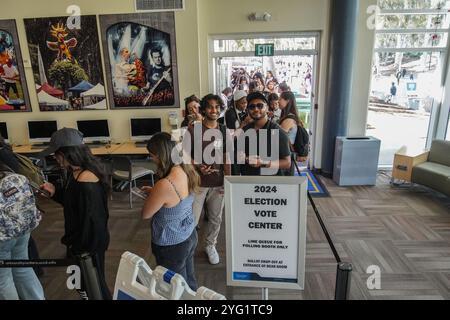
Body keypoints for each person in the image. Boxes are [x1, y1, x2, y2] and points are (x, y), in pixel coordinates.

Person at [39, 128, 111, 300]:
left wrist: (78, 249)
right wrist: (54, 191)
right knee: (83, 286)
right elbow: (73, 205)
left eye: (56, 154)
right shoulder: (76, 173)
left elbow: (93, 222)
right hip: (80, 244)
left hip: (86, 246)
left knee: (93, 287)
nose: (54, 158)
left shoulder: (87, 181)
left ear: (67, 153)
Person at [141, 132, 200, 290]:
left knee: (174, 288)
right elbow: (177, 197)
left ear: (161, 155)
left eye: (152, 155)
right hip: (189, 234)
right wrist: (155, 192)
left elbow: (145, 214)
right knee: (189, 281)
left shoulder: (165, 184)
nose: (151, 159)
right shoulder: (186, 169)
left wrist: (155, 194)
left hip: (171, 244)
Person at [189, 94, 231, 265]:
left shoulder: (223, 131)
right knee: (192, 218)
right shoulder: (194, 129)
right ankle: (189, 246)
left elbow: (227, 158)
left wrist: (227, 182)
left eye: (217, 107)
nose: (214, 110)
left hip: (218, 183)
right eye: (210, 107)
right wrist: (198, 165)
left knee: (216, 218)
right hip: (197, 183)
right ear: (204, 109)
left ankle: (210, 245)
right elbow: (184, 154)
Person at [0, 162, 44, 300]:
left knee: (3, 279)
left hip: (3, 237)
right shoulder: (9, 172)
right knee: (23, 268)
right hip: (23, 229)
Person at [239, 92, 292, 176]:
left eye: (260, 106)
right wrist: (246, 158)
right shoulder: (245, 130)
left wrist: (264, 162)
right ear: (248, 110)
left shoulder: (277, 131)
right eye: (252, 107)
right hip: (249, 181)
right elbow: (239, 154)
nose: (256, 109)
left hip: (271, 183)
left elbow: (287, 163)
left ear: (267, 107)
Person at [279, 91, 307, 167]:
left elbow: (280, 137)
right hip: (287, 153)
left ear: (287, 101)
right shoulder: (292, 116)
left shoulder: (288, 120)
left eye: (280, 99)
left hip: (285, 154)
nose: (278, 101)